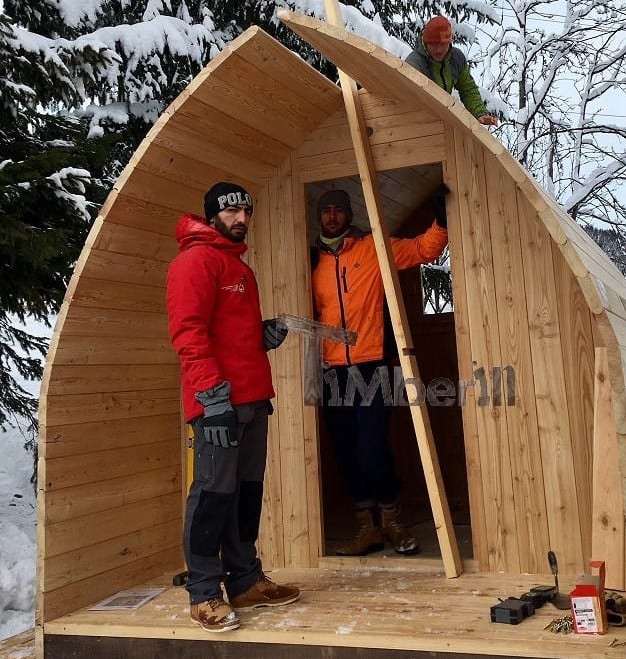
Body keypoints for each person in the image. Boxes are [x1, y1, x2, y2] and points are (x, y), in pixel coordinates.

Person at [166, 181, 300, 633]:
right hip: (217, 405)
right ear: (211, 215)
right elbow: (188, 333)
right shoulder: (195, 262)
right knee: (212, 495)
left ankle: (244, 580)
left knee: (246, 495)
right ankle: (205, 593)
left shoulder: (238, 268)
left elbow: (228, 333)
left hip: (252, 400)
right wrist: (212, 398)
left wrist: (260, 336)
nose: (241, 219)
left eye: (246, 211)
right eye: (231, 212)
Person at [311, 187, 449, 557]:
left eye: (340, 210)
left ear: (349, 214)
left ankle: (390, 519)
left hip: (372, 365)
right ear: (319, 217)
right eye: (327, 211)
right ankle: (366, 528)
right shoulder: (309, 261)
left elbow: (423, 249)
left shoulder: (372, 247)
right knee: (345, 451)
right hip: (331, 372)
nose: (334, 216)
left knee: (372, 447)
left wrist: (441, 222)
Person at [405, 15, 497, 125]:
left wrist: (479, 113)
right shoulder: (414, 64)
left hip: (443, 120)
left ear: (450, 42)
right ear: (425, 42)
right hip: (419, 123)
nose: (438, 50)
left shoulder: (456, 58)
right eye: (434, 45)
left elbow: (467, 88)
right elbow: (410, 100)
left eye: (443, 44)